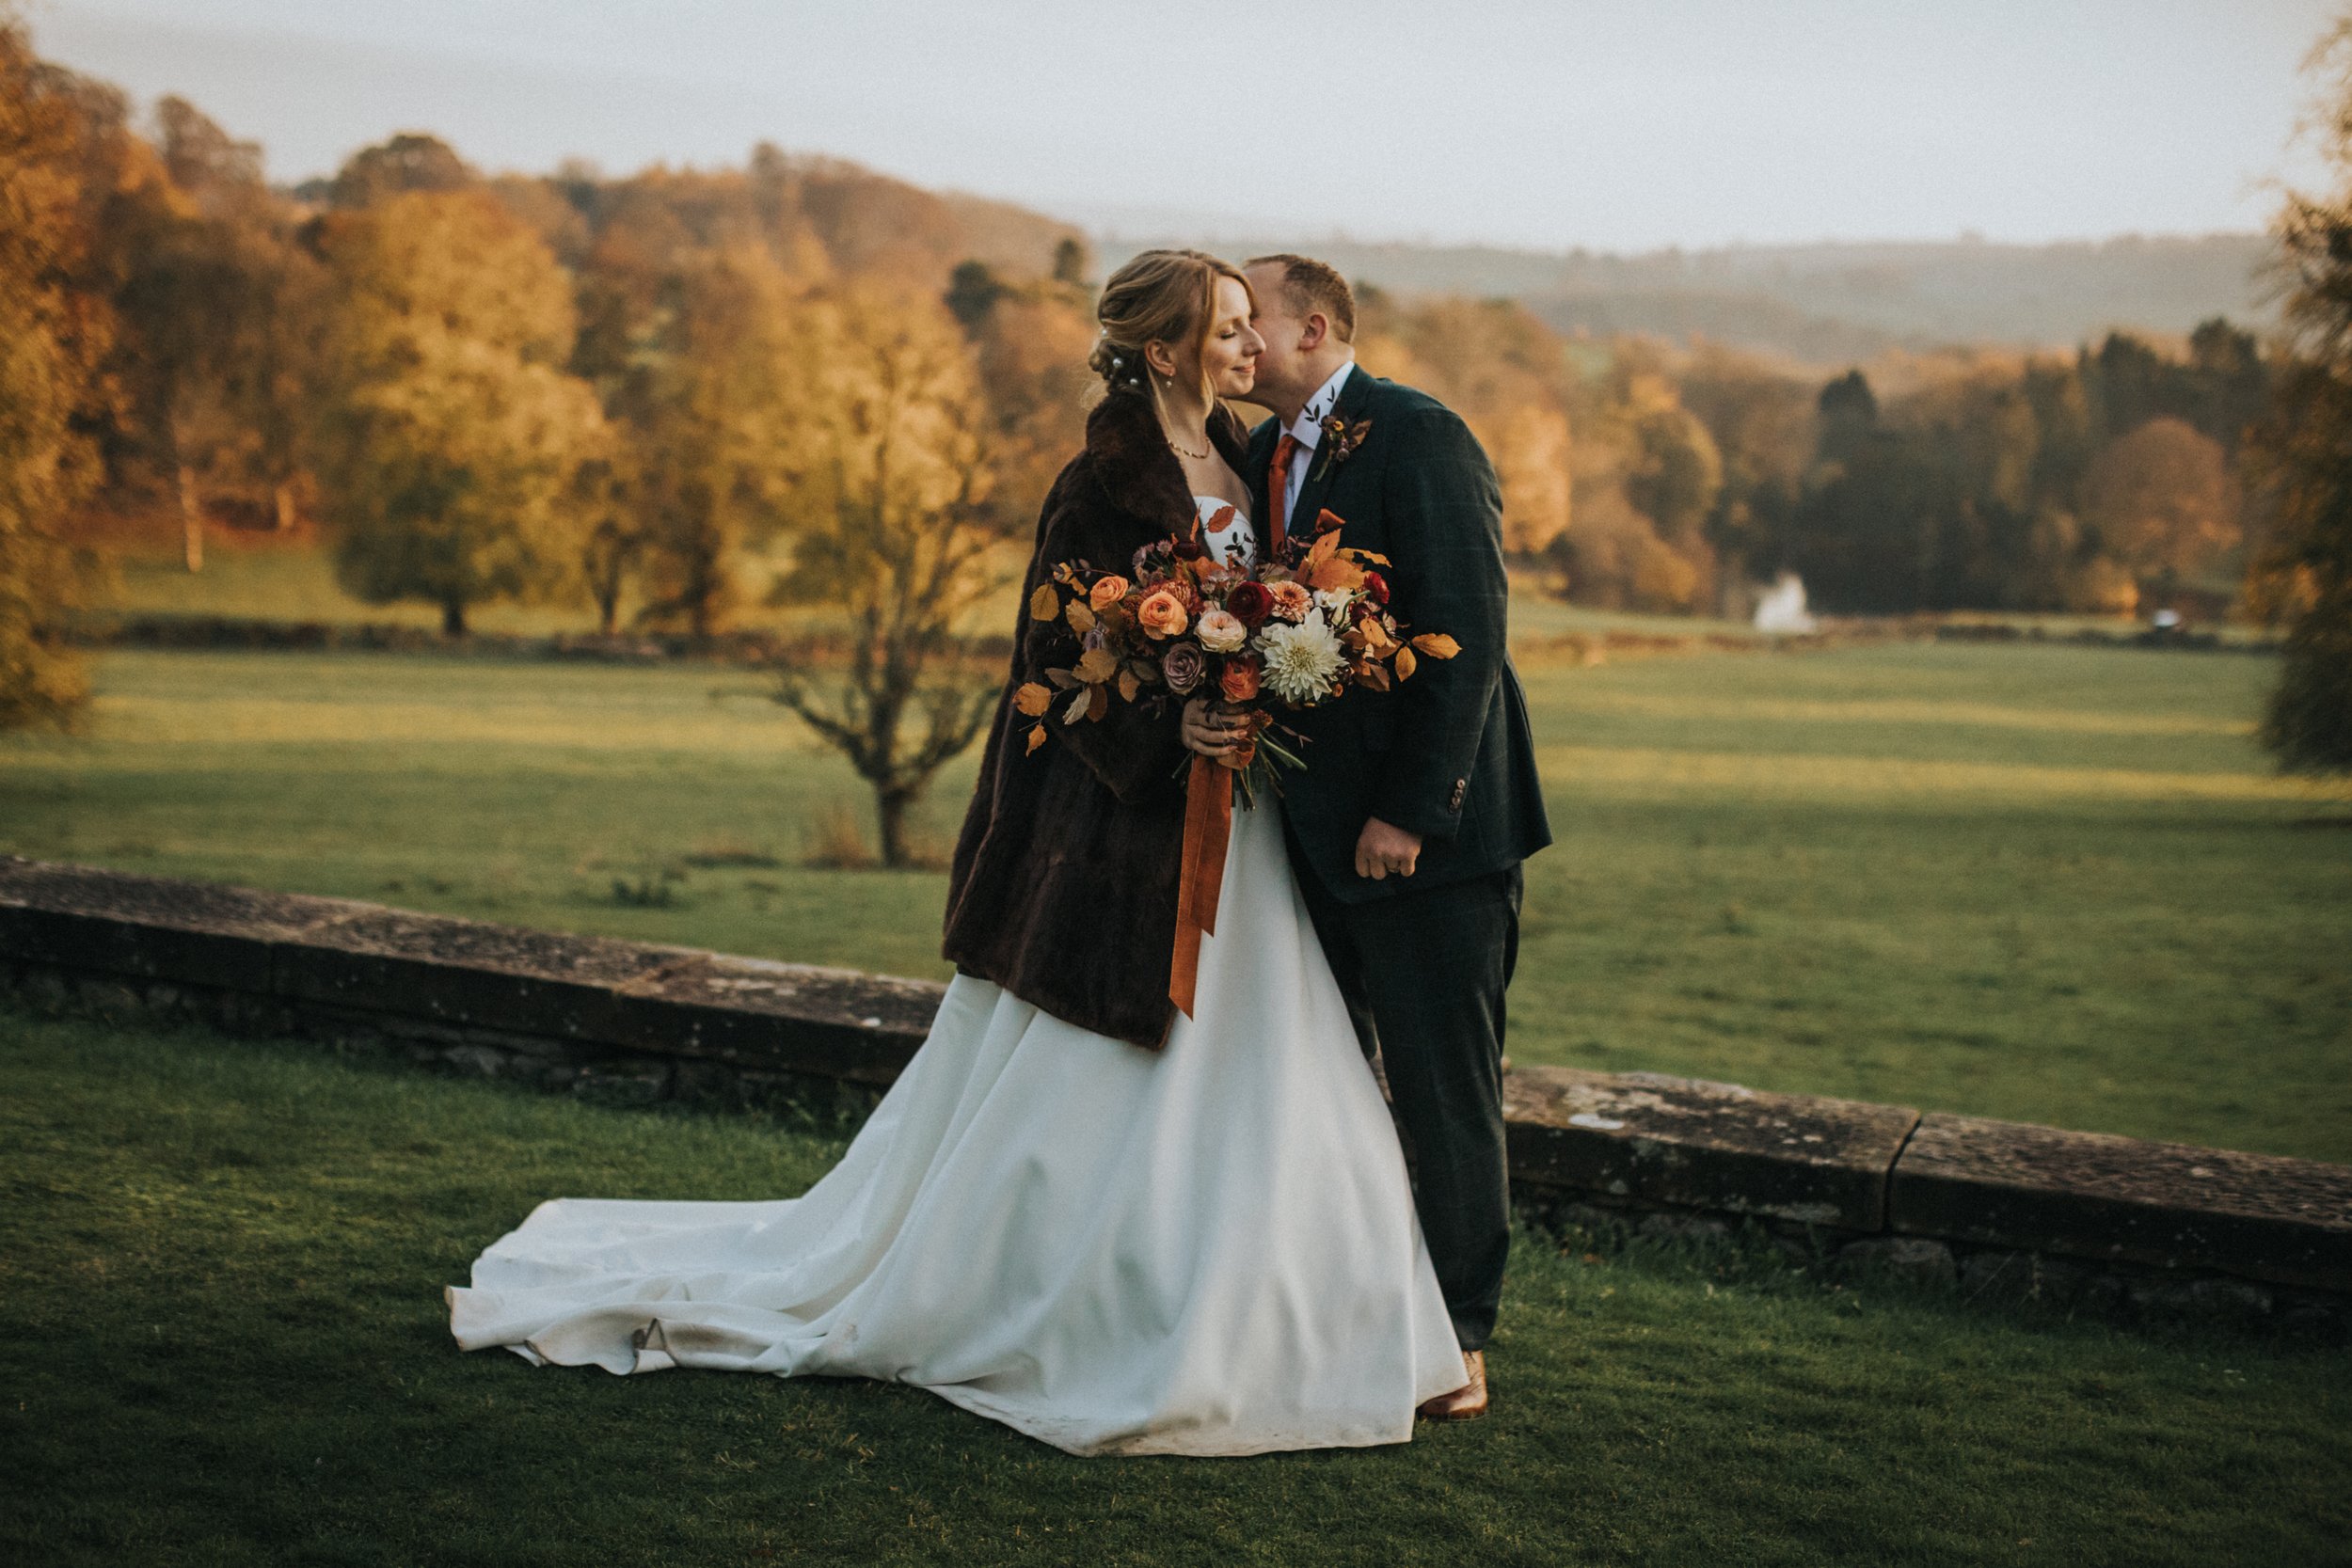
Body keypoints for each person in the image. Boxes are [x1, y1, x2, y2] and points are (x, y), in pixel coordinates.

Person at [445, 250, 1472, 1457]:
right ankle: (1082, 1295)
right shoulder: (1100, 482)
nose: (1253, 350)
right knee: (1108, 1084)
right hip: (1127, 838)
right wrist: (1169, 719)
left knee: (1283, 1070)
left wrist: (1277, 672)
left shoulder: (1252, 462)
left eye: (1255, 327)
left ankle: (1302, 1312)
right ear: (1164, 351)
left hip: (1246, 832)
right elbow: (1052, 670)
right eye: (1230, 330)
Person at [1234, 253, 1553, 1420]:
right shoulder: (1262, 455)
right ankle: (1352, 1308)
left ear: (1312, 327)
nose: (1232, 341)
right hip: (1308, 838)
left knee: (1440, 1089)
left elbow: (1465, 631)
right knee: (1329, 1081)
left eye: (1246, 320)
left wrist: (1411, 812)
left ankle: (1460, 1340)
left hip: (1430, 842)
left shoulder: (1419, 434)